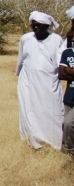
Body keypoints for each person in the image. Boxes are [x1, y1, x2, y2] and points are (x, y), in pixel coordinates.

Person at [15, 11, 65, 150]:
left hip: (49, 82)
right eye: (34, 25)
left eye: (41, 25)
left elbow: (60, 61)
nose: (37, 28)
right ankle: (32, 140)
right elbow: (21, 59)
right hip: (28, 82)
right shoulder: (26, 38)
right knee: (29, 110)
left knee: (51, 110)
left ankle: (54, 143)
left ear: (47, 26)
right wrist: (18, 74)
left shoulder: (56, 39)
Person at [60, 6, 74, 153]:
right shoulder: (68, 44)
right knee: (66, 122)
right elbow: (61, 72)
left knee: (69, 122)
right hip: (70, 93)